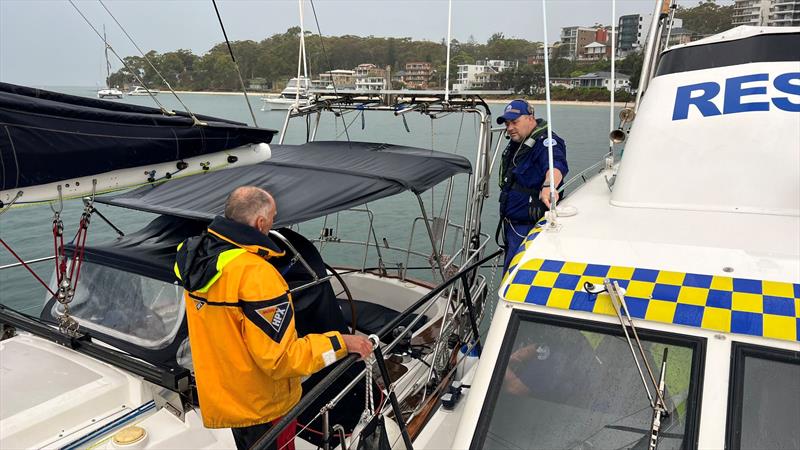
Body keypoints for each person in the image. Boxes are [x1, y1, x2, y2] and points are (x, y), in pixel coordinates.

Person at [174, 186, 373, 450]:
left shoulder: (195, 258)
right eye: (273, 218)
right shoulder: (256, 275)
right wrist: (341, 343)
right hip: (263, 407)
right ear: (260, 222)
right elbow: (281, 361)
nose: (273, 223)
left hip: (227, 398)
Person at [497, 99, 568, 270]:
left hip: (528, 227)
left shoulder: (547, 142)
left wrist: (548, 187)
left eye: (514, 122)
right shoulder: (519, 142)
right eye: (507, 124)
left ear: (530, 118)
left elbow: (556, 165)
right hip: (512, 225)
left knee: (517, 272)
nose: (510, 127)